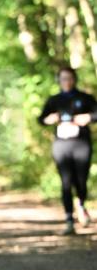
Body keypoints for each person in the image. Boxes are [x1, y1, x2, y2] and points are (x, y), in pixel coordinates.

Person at [38, 66, 97, 234]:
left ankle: (81, 203)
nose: (67, 82)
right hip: (62, 145)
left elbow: (96, 113)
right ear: (59, 80)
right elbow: (41, 119)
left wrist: (88, 118)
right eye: (63, 78)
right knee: (65, 182)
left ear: (74, 79)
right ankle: (69, 219)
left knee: (81, 180)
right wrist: (49, 119)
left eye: (69, 78)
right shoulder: (54, 100)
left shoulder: (85, 98)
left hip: (81, 144)